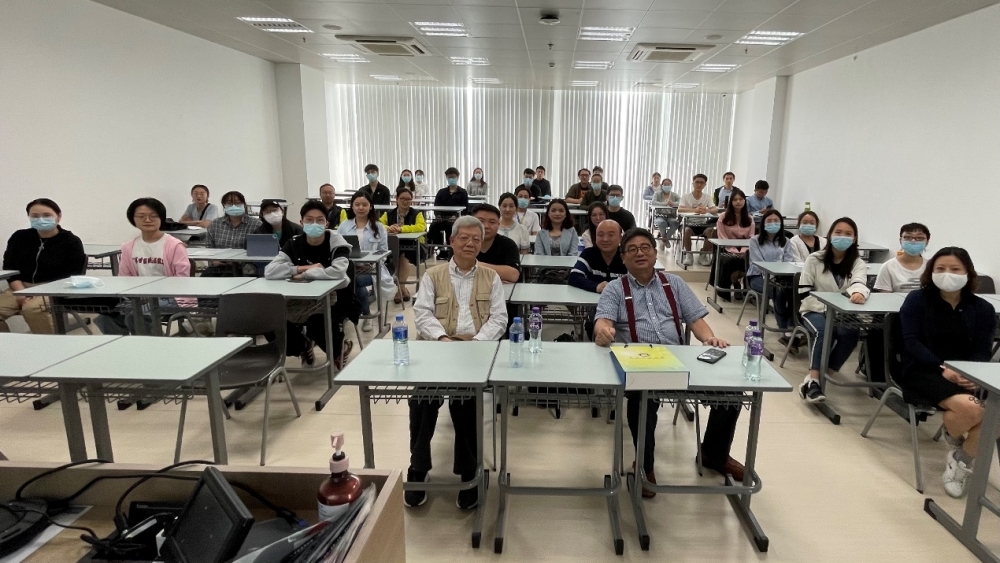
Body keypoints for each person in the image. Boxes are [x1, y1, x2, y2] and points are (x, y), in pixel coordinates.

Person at [594, 228, 741, 497]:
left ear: (655, 252)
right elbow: (603, 320)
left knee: (731, 393)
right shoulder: (615, 289)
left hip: (678, 360)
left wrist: (709, 338)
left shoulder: (674, 283)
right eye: (632, 249)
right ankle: (645, 465)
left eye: (645, 247)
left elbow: (695, 319)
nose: (639, 253)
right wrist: (603, 331)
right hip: (640, 365)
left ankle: (714, 454)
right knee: (641, 400)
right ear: (623, 258)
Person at [407, 215, 508, 510]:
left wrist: (475, 344)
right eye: (464, 238)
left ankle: (468, 471)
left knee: (466, 404)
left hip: (474, 351)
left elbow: (499, 318)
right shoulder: (432, 275)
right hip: (438, 348)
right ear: (451, 241)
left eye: (476, 239)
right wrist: (442, 339)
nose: (470, 243)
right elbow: (422, 313)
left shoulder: (491, 277)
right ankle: (418, 467)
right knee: (422, 401)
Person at [898, 247, 996, 497]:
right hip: (923, 370)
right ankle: (958, 446)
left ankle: (960, 457)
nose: (947, 274)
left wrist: (973, 375)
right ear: (931, 272)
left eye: (955, 269)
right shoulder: (917, 300)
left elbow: (982, 350)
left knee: (995, 415)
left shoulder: (983, 309)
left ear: (968, 273)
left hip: (967, 374)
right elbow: (911, 343)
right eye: (940, 269)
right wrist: (943, 368)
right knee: (975, 410)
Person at [265, 200, 358, 370]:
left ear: (326, 223)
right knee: (272, 324)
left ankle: (339, 351)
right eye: (309, 220)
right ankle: (303, 347)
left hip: (334, 299)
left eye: (319, 220)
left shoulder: (337, 243)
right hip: (299, 299)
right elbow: (270, 271)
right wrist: (301, 268)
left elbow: (338, 272)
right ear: (301, 222)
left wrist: (304, 275)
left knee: (318, 324)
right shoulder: (294, 243)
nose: (314, 223)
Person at [797, 217, 869, 403]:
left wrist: (858, 293)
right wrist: (827, 307)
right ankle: (814, 381)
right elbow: (804, 292)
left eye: (848, 234)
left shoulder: (857, 263)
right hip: (813, 309)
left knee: (851, 333)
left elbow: (859, 282)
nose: (842, 236)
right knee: (822, 331)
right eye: (838, 232)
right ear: (829, 235)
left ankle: (819, 378)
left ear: (854, 238)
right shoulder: (814, 259)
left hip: (842, 313)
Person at [94, 198, 192, 335]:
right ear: (133, 219)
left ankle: (150, 345)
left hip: (173, 297)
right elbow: (124, 278)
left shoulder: (174, 245)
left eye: (153, 216)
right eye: (141, 216)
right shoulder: (128, 247)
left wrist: (151, 294)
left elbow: (182, 280)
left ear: (161, 218)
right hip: (138, 297)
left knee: (136, 316)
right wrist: (138, 295)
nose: (147, 220)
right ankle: (124, 345)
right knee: (105, 318)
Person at [0, 199, 87, 334]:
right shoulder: (19, 237)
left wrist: (38, 292)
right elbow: (10, 267)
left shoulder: (71, 241)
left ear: (58, 216)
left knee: (32, 309)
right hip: (20, 287)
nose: (40, 219)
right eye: (35, 216)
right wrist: (21, 292)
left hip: (53, 289)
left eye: (47, 215)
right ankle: (7, 345)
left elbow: (71, 275)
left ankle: (47, 345)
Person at [338, 192, 394, 332]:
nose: (360, 208)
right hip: (349, 268)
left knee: (354, 281)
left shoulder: (379, 227)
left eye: (364, 204)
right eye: (357, 204)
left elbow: (383, 251)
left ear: (370, 206)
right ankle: (361, 313)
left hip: (373, 268)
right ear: (352, 206)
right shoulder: (344, 226)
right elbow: (338, 249)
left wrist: (372, 262)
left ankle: (363, 314)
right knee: (351, 280)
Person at [746, 209, 795, 344]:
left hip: (781, 278)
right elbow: (758, 263)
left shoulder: (786, 241)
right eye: (769, 221)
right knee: (778, 292)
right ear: (763, 224)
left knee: (794, 293)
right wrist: (773, 275)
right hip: (758, 277)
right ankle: (785, 330)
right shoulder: (755, 241)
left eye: (776, 221)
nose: (772, 223)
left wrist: (779, 275)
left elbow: (788, 262)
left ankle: (792, 327)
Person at [380, 187, 427, 303]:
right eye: (402, 199)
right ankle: (403, 289)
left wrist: (402, 229)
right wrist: (389, 228)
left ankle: (399, 291)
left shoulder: (417, 213)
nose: (405, 201)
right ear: (396, 199)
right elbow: (378, 224)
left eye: (408, 199)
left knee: (403, 256)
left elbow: (421, 227)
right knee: (396, 255)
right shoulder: (388, 213)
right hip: (393, 245)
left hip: (414, 245)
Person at [205, 191, 261, 276]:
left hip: (245, 268)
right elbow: (209, 247)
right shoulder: (216, 224)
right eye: (229, 203)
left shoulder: (256, 224)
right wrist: (214, 260)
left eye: (237, 203)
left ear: (244, 204)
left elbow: (260, 250)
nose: (233, 206)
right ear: (224, 205)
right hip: (219, 267)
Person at [713, 188, 755, 301]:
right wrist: (734, 250)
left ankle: (745, 286)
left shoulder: (749, 218)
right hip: (726, 247)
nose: (738, 202)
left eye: (741, 199)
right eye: (735, 199)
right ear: (731, 202)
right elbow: (722, 237)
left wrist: (743, 250)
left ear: (744, 201)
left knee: (750, 259)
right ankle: (733, 283)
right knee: (732, 260)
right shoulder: (723, 217)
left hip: (745, 248)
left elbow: (751, 238)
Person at [471, 204, 521, 284]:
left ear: (498, 224)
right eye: (481, 221)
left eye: (492, 222)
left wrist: (474, 265)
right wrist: (497, 276)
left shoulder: (508, 244)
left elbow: (513, 275)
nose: (486, 226)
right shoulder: (462, 243)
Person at [875, 223, 931, 292]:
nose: (913, 241)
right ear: (900, 240)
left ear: (927, 242)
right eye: (907, 237)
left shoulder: (931, 267)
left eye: (919, 238)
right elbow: (885, 296)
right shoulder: (888, 267)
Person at [429, 167, 469, 258]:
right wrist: (438, 215)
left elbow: (465, 209)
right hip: (442, 218)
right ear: (446, 178)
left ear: (457, 177)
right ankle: (440, 249)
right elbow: (436, 206)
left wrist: (456, 216)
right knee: (433, 227)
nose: (451, 179)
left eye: (453, 177)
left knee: (450, 228)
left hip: (456, 219)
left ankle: (451, 250)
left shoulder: (463, 192)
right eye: (449, 177)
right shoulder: (441, 192)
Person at [678, 174, 718, 267]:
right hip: (688, 223)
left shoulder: (707, 197)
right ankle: (689, 254)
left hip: (702, 224)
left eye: (702, 183)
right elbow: (680, 209)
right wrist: (694, 210)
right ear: (693, 183)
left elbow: (714, 209)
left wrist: (706, 210)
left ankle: (703, 254)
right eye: (697, 182)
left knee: (711, 232)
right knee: (686, 231)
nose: (699, 184)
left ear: (705, 185)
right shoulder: (686, 197)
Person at [650, 177, 680, 249]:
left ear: (671, 186)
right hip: (659, 216)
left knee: (675, 223)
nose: (667, 186)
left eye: (668, 185)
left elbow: (681, 202)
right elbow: (653, 202)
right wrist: (664, 203)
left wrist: (673, 203)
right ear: (662, 185)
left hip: (671, 216)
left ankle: (664, 239)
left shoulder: (674, 195)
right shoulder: (657, 194)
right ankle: (665, 239)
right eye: (665, 184)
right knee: (661, 223)